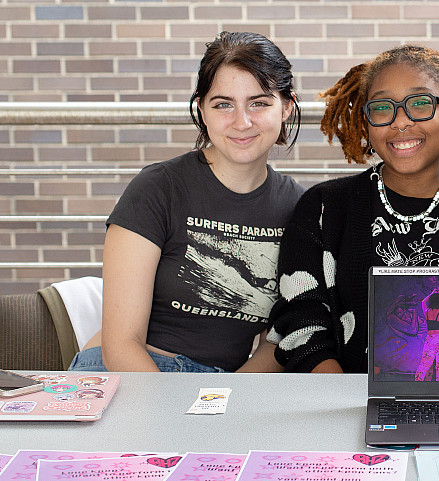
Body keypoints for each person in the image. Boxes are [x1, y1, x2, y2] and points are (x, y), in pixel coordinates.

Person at [266, 44, 439, 373]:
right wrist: (342, 398)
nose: (400, 122)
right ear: (367, 120)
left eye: (419, 103)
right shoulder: (325, 208)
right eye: (383, 108)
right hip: (345, 401)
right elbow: (299, 317)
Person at [68, 31, 305, 373]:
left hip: (217, 386)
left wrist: (226, 401)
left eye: (259, 102)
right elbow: (120, 345)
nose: (242, 121)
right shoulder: (158, 188)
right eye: (223, 104)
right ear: (202, 111)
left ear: (286, 107)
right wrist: (178, 420)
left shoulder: (298, 207)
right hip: (128, 371)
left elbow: (277, 341)